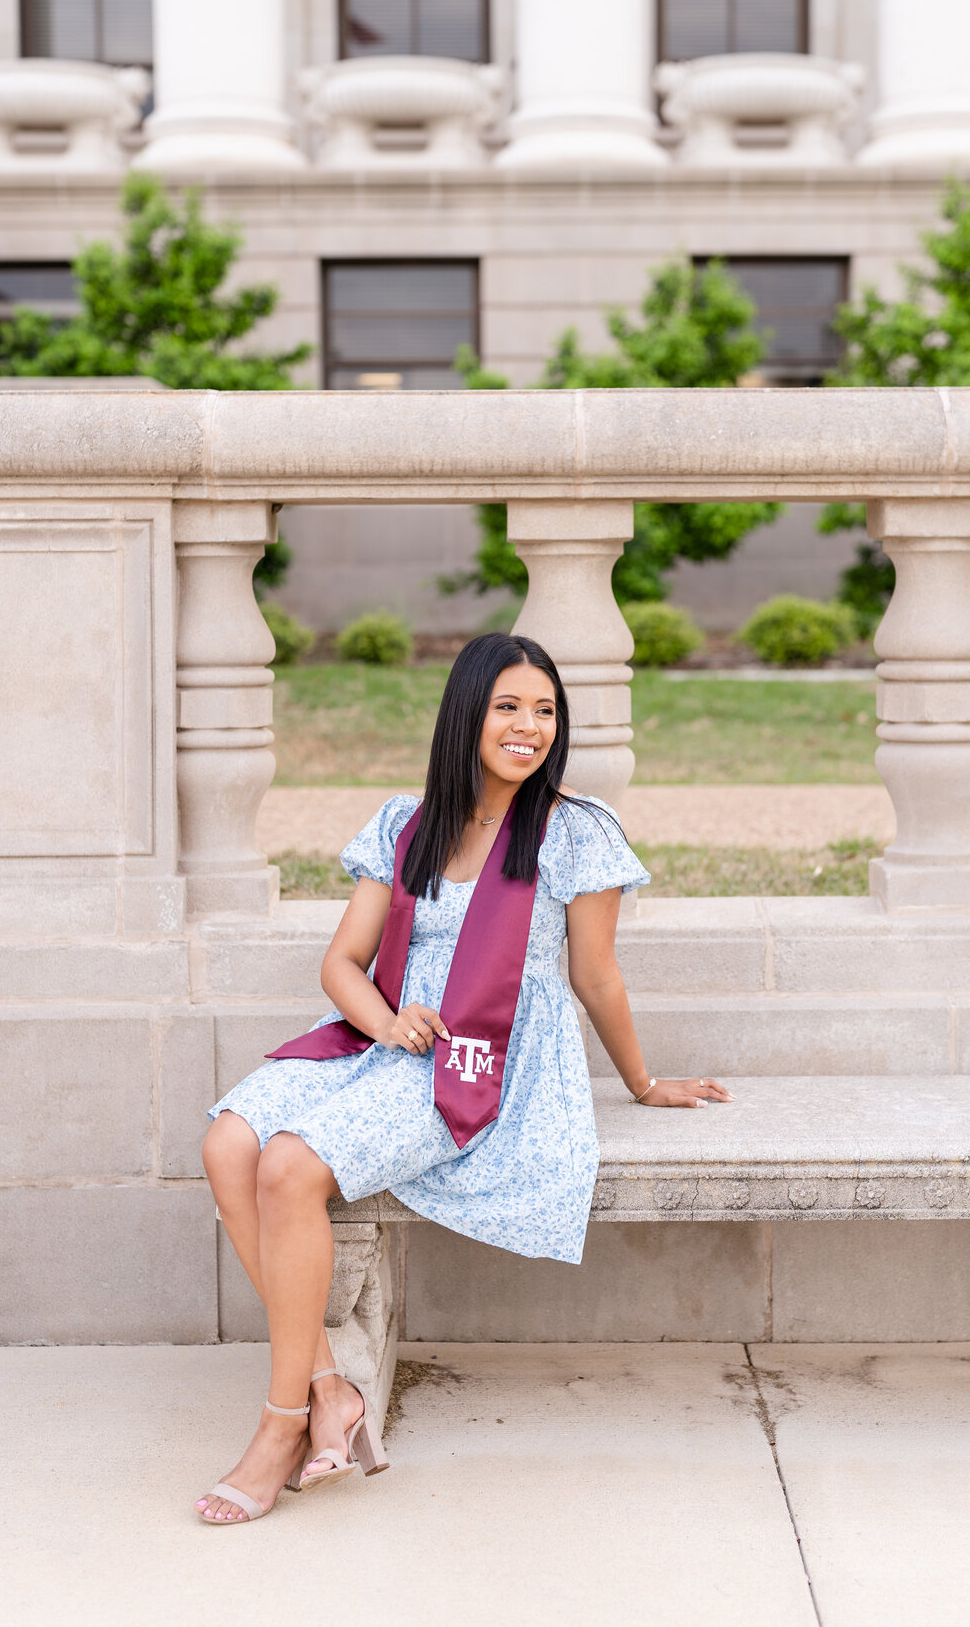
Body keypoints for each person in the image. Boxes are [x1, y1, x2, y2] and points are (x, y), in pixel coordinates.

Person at [196, 631, 732, 1524]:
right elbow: (343, 963)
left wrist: (642, 1084)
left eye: (546, 711)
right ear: (467, 716)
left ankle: (279, 1423)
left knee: (288, 1167)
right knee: (226, 1144)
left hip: (491, 1060)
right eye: (509, 707)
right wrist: (387, 1021)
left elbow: (595, 974)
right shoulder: (408, 824)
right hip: (391, 1040)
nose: (529, 728)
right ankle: (330, 1386)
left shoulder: (575, 831)